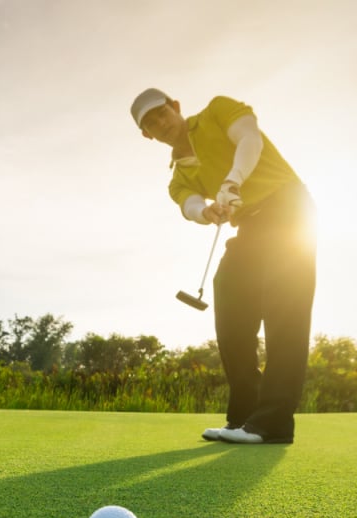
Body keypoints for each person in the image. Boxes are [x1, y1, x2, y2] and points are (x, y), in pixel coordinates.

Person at [131, 89, 317, 444]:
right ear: (147, 135)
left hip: (289, 209)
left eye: (161, 113)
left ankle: (274, 423)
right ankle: (244, 416)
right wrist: (208, 211)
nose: (160, 123)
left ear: (175, 107)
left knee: (284, 313)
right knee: (229, 300)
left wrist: (232, 181)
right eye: (150, 124)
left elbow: (249, 138)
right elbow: (189, 205)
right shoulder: (178, 177)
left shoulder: (218, 109)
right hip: (249, 226)